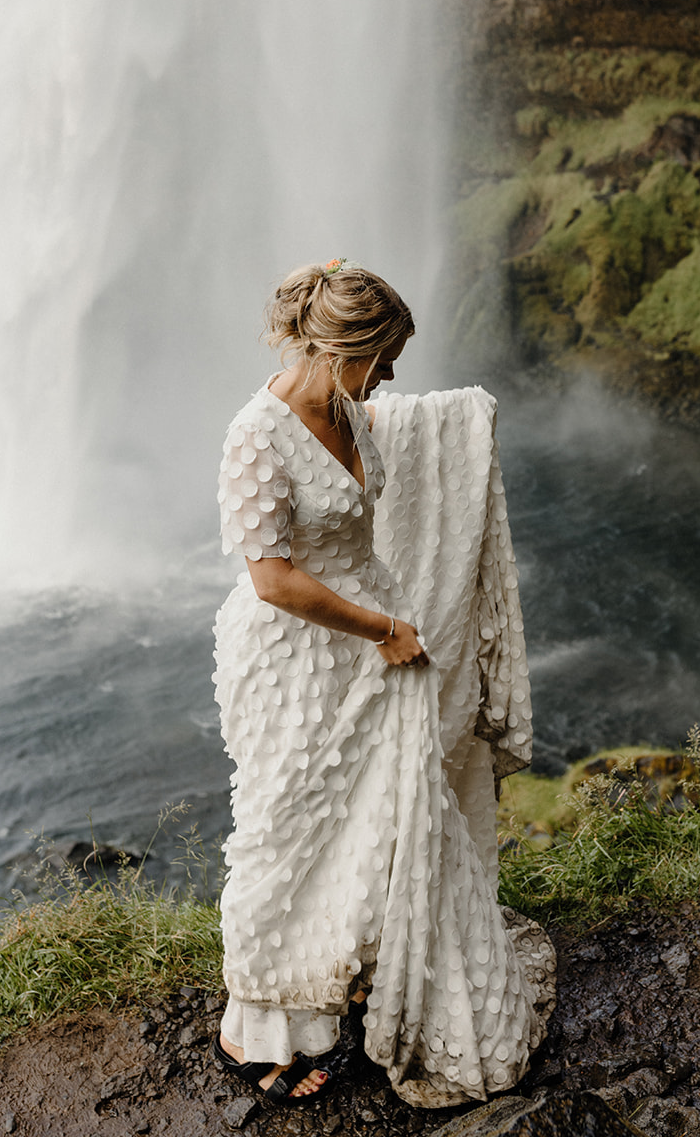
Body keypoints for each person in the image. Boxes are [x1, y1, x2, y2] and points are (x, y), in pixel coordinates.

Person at [212, 260, 551, 1107]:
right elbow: (273, 581)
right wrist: (386, 630)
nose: (391, 377)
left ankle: (346, 968)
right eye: (383, 358)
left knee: (374, 819)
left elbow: (398, 438)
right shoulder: (255, 435)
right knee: (287, 832)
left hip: (374, 642)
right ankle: (251, 1030)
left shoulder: (351, 409)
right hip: (298, 658)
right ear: (336, 351)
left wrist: (468, 420)